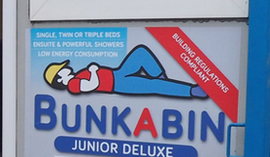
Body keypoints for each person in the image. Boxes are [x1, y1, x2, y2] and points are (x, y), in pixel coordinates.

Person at [44, 44, 209, 99]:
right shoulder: (73, 84)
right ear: (59, 77)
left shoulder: (74, 77)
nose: (66, 68)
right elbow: (90, 86)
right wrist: (93, 71)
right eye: (62, 69)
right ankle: (192, 91)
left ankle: (162, 79)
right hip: (119, 83)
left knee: (141, 53)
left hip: (118, 73)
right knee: (153, 86)